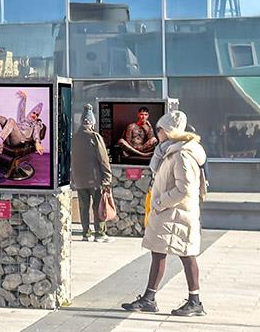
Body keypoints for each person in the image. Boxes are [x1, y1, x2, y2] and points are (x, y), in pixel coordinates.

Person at [122, 109, 209, 317]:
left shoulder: (181, 154)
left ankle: (194, 301)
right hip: (170, 214)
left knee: (186, 255)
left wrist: (160, 202)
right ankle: (149, 298)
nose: (156, 133)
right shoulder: (170, 151)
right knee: (159, 252)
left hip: (176, 213)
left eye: (159, 129)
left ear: (168, 131)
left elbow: (185, 188)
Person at [71, 104, 112, 242]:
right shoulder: (95, 137)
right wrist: (107, 178)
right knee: (98, 206)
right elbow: (103, 159)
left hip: (79, 180)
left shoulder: (74, 138)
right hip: (95, 179)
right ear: (92, 122)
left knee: (83, 207)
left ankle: (85, 233)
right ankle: (100, 233)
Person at [0, 90, 46, 155]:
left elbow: (36, 133)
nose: (35, 115)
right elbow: (22, 110)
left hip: (20, 141)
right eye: (34, 113)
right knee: (4, 120)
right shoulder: (23, 120)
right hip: (10, 139)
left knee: (11, 120)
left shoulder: (35, 124)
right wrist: (24, 98)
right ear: (30, 112)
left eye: (37, 115)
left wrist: (37, 142)